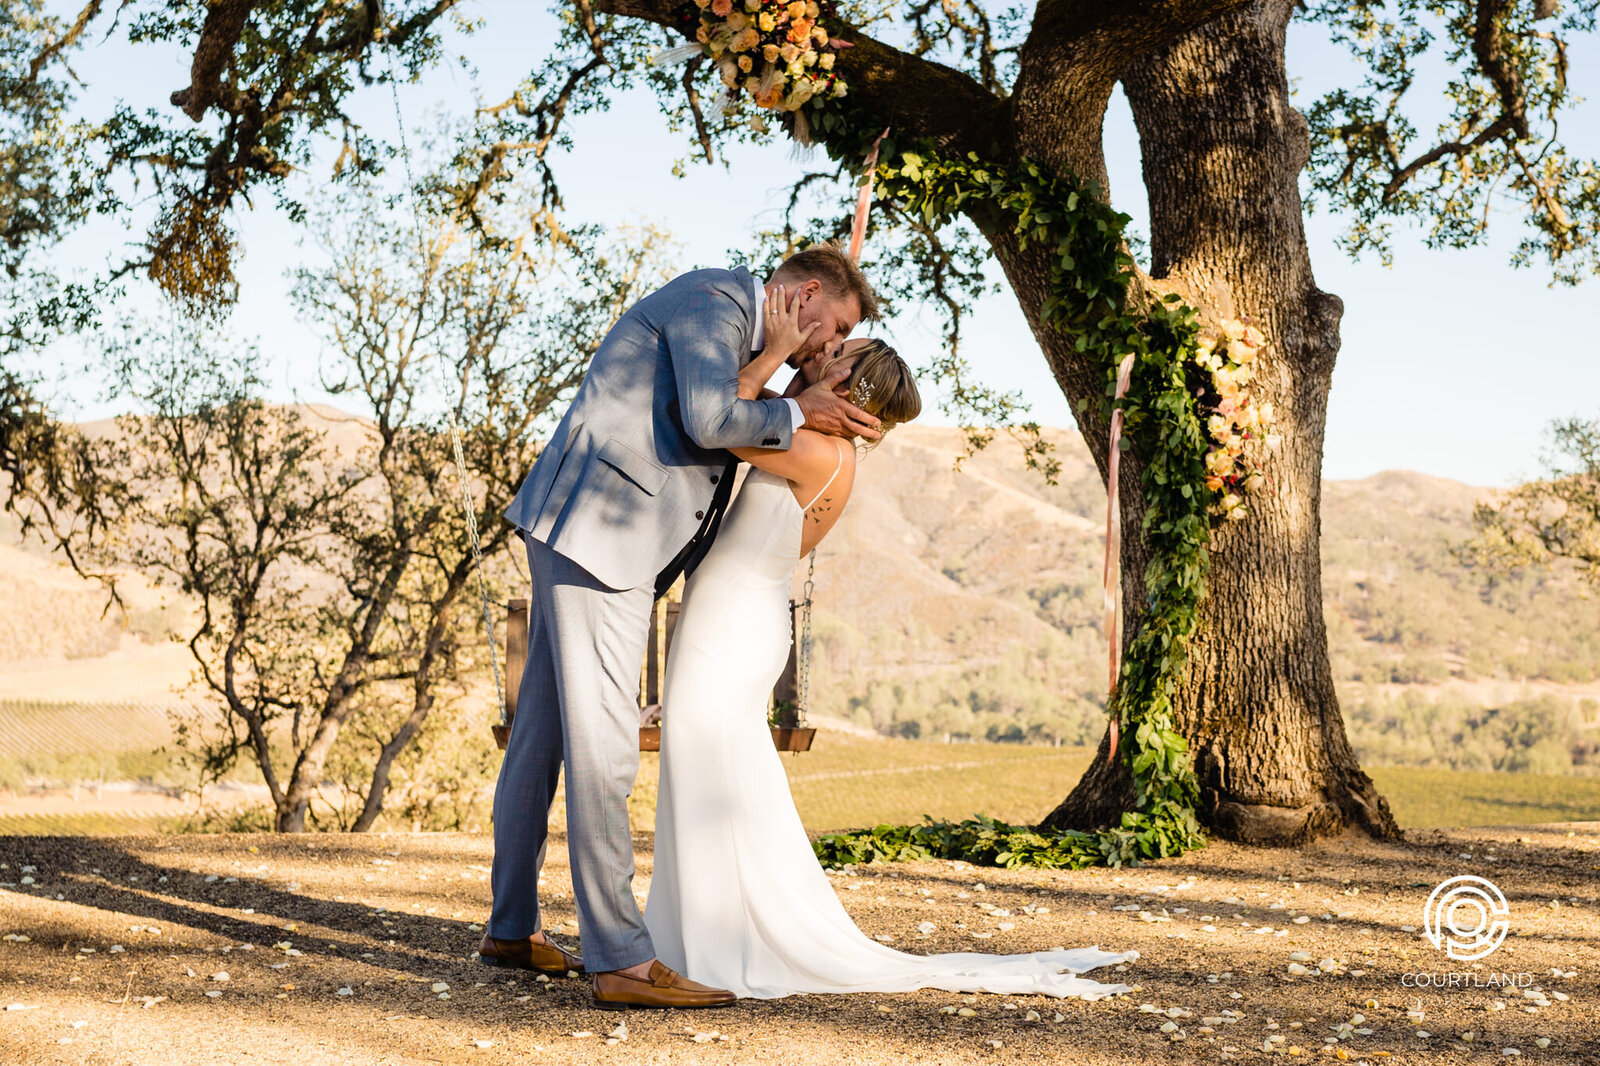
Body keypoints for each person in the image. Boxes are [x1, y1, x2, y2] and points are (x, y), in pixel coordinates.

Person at [641, 293, 1140, 1001]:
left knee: (712, 768)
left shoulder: (816, 448)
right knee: (711, 768)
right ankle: (696, 934)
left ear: (847, 388)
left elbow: (712, 430)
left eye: (835, 356)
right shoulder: (826, 447)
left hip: (731, 626)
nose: (822, 354)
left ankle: (720, 942)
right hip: (730, 619)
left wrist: (777, 353)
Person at [482, 242, 882, 1010]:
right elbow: (709, 419)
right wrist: (797, 399)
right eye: (831, 327)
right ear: (801, 293)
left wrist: (779, 363)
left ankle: (509, 928)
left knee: (543, 737)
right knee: (604, 752)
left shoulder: (742, 328)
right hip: (602, 540)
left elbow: (722, 411)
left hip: (589, 535)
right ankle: (621, 960)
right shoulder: (716, 304)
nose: (829, 347)